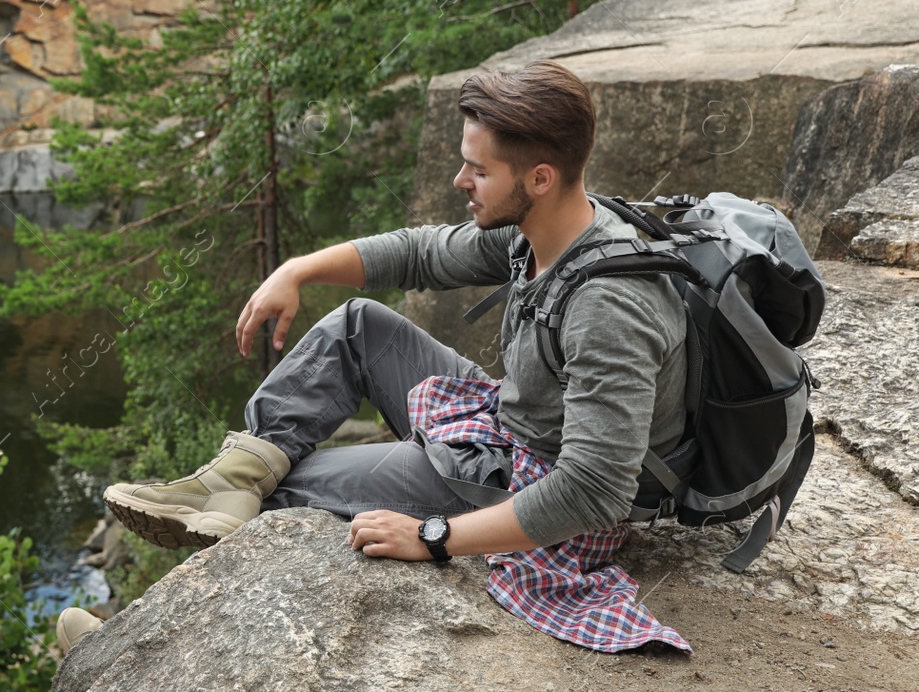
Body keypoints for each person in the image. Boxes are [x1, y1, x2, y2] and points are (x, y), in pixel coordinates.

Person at [98, 58, 689, 575]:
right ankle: (233, 478)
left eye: (478, 172)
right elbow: (421, 253)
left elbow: (595, 490)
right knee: (356, 326)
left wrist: (434, 537)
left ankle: (145, 643)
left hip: (537, 482)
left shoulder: (609, 306)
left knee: (296, 486)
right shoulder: (546, 226)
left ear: (540, 178)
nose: (461, 182)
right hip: (515, 421)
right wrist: (299, 269)